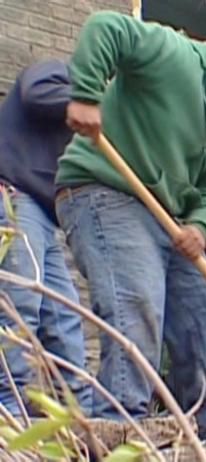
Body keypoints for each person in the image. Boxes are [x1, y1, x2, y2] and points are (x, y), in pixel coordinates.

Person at [55, 11, 206, 439]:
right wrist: (86, 94)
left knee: (204, 312)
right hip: (104, 191)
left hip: (168, 220)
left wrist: (201, 227)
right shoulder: (177, 56)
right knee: (138, 301)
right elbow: (106, 29)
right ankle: (118, 431)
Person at [0, 60, 91, 414]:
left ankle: (81, 420)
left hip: (39, 212)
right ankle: (8, 413)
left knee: (63, 318)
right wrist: (89, 103)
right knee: (19, 310)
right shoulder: (56, 73)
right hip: (13, 197)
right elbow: (34, 90)